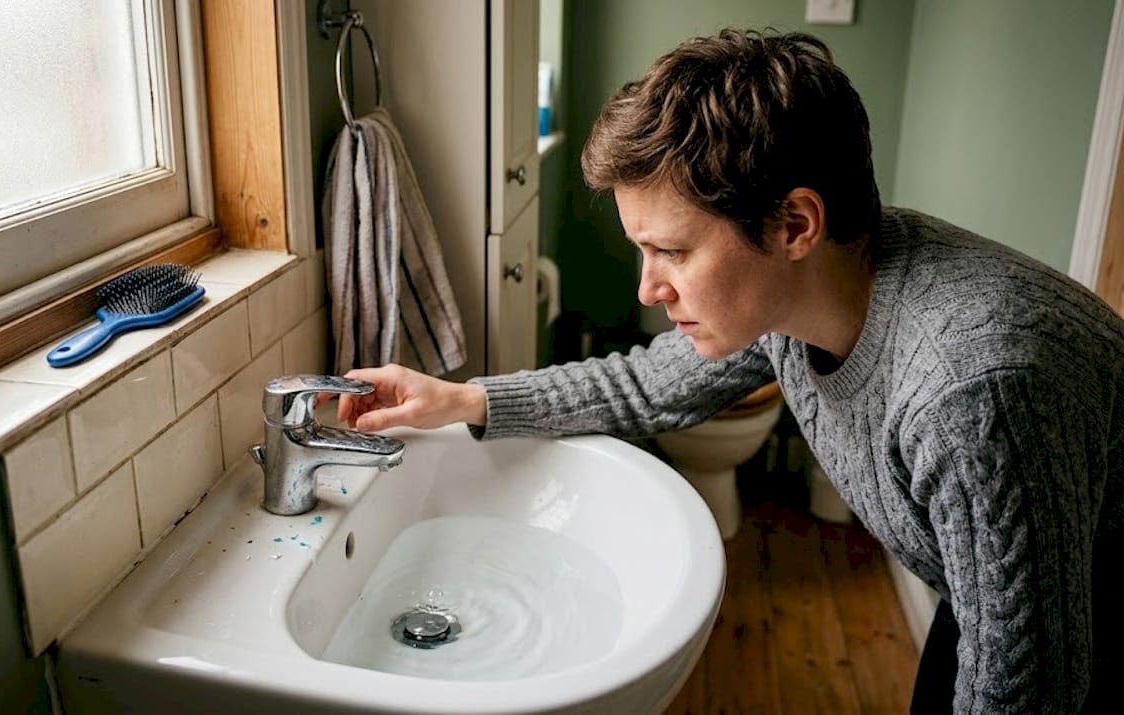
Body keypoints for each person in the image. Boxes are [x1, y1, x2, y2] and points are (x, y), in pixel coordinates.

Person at [335, 29, 1122, 713]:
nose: (647, 287)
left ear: (795, 224)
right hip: (1011, 588)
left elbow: (1027, 694)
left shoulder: (969, 390)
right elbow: (641, 385)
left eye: (671, 250)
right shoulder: (802, 295)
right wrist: (461, 397)